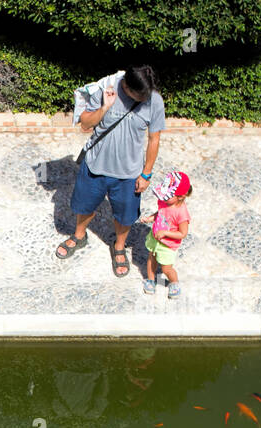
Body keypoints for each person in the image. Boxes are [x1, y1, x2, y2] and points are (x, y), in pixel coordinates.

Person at [54, 65, 166, 279]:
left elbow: (155, 138)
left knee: (125, 216)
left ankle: (119, 246)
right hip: (96, 166)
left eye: (147, 96)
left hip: (129, 173)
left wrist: (146, 174)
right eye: (139, 96)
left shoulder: (154, 100)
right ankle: (79, 236)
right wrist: (105, 107)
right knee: (83, 206)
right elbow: (85, 124)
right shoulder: (106, 87)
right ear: (127, 86)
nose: (144, 100)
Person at [140, 171, 191, 298]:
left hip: (168, 245)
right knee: (151, 258)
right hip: (155, 237)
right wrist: (150, 218)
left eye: (166, 196)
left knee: (166, 269)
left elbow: (183, 233)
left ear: (180, 197)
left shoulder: (181, 214)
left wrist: (165, 233)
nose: (162, 198)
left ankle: (174, 283)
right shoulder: (165, 202)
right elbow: (160, 214)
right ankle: (151, 280)